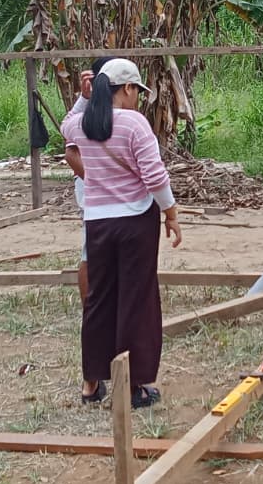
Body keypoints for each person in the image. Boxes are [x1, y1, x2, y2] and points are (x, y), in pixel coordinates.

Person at [61, 59, 182, 408]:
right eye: (136, 92)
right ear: (127, 88)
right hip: (134, 221)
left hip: (97, 222)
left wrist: (83, 99)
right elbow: (155, 176)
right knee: (136, 299)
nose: (137, 99)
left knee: (99, 299)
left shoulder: (85, 123)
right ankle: (132, 385)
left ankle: (92, 383)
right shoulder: (133, 123)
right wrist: (170, 212)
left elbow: (67, 126)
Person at [63, 56, 116, 305]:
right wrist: (96, 180)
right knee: (92, 250)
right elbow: (70, 151)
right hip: (96, 191)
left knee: (101, 251)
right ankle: (90, 307)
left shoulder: (112, 112)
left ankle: (101, 306)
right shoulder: (88, 114)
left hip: (108, 191)